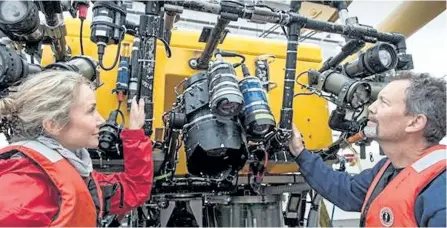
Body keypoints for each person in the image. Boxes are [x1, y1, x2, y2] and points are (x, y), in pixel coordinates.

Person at [288, 71, 446, 227]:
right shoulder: (388, 169)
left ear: (415, 122)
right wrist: (299, 152)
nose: (371, 108)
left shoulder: (441, 191)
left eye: (384, 102)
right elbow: (346, 191)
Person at [0, 71, 153, 226]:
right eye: (91, 110)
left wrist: (135, 134)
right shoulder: (23, 191)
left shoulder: (73, 171)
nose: (101, 120)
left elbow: (132, 190)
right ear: (53, 124)